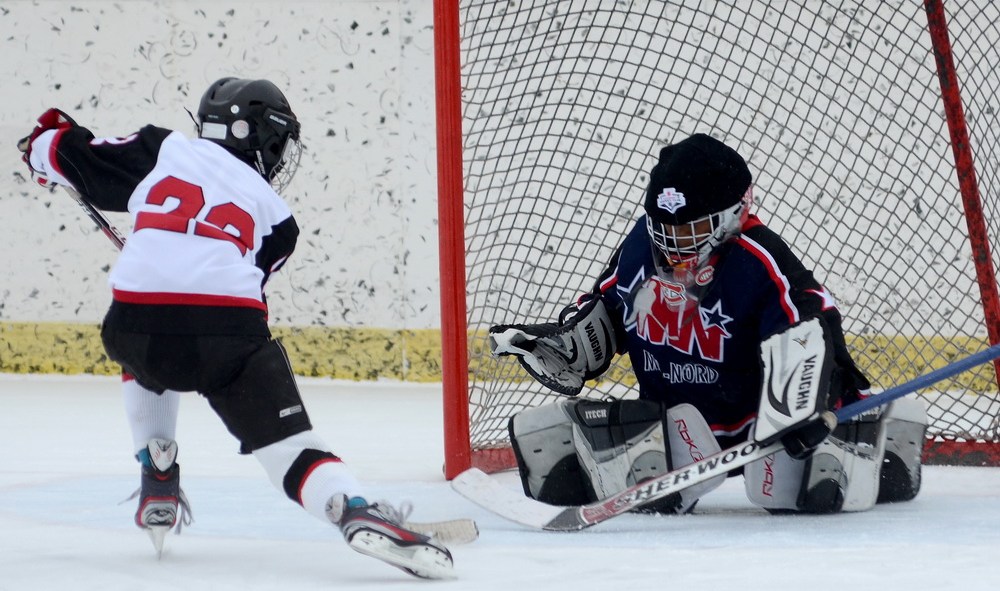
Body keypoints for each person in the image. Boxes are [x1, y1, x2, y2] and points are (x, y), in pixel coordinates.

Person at [16, 78, 454, 579]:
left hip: (132, 327)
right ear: (260, 139)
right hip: (224, 334)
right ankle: (351, 507)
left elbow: (68, 153)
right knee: (290, 450)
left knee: (147, 346)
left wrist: (44, 147)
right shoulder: (281, 221)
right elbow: (246, 293)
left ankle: (157, 461)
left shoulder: (163, 150)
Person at [489, 133, 928, 515]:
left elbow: (813, 325)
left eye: (689, 231)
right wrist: (566, 345)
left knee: (793, 487)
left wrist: (816, 400)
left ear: (735, 212)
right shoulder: (641, 244)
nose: (673, 247)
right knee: (549, 442)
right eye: (664, 229)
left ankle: (875, 434)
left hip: (764, 437)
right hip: (680, 432)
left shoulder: (759, 259)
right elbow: (608, 306)